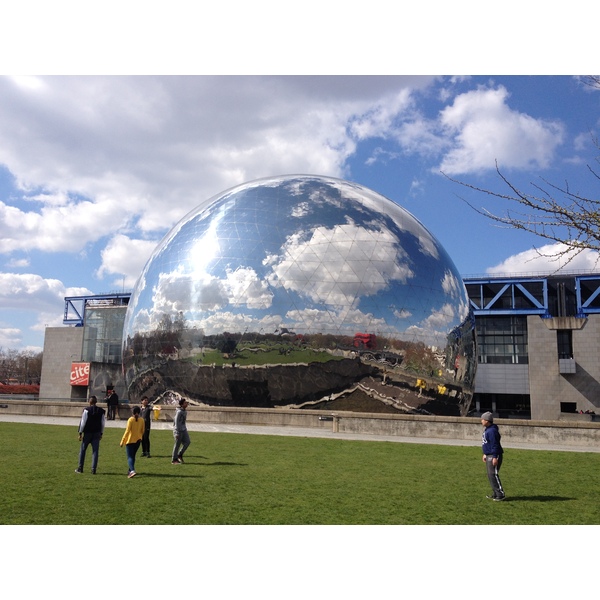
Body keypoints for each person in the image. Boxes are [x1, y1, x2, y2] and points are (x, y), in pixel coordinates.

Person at [75, 396, 106, 475]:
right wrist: (101, 433)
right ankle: (93, 469)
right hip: (96, 433)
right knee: (95, 451)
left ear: (89, 402)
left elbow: (83, 422)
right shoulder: (101, 411)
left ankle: (80, 468)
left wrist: (80, 432)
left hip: (88, 433)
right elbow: (103, 423)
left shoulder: (86, 410)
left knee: (83, 450)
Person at [481, 411, 505, 501]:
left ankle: (500, 494)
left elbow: (495, 444)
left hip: (494, 454)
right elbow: (487, 443)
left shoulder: (492, 431)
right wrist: (485, 454)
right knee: (490, 475)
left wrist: (495, 456)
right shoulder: (488, 430)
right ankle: (495, 493)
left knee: (493, 474)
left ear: (487, 420)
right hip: (489, 454)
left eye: (483, 419)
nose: (481, 421)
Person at [120, 406, 145, 478]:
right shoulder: (142, 420)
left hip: (130, 440)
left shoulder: (130, 420)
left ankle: (132, 471)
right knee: (133, 456)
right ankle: (130, 470)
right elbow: (142, 431)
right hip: (138, 440)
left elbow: (127, 431)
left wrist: (122, 441)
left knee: (130, 457)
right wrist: (140, 436)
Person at [172, 399, 190, 464]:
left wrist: (184, 428)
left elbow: (183, 422)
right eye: (185, 403)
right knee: (177, 445)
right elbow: (176, 422)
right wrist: (176, 432)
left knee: (187, 442)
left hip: (184, 429)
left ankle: (180, 454)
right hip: (178, 430)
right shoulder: (179, 412)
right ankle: (174, 459)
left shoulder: (185, 411)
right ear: (182, 404)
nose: (186, 404)